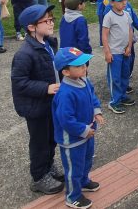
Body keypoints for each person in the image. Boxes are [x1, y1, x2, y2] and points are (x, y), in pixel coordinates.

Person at [11, 4, 64, 195]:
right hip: (36, 107)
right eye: (46, 20)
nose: (51, 23)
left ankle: (48, 166)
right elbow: (19, 83)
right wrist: (46, 88)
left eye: (52, 19)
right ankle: (39, 177)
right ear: (32, 27)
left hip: (50, 103)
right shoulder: (24, 54)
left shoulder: (49, 43)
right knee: (40, 142)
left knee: (51, 139)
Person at [52, 47, 103, 209]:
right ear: (66, 72)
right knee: (73, 167)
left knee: (87, 159)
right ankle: (72, 196)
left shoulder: (84, 80)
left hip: (87, 133)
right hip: (72, 139)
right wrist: (84, 131)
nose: (84, 67)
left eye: (84, 64)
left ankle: (83, 181)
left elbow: (92, 97)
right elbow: (66, 120)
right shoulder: (65, 93)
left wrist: (97, 112)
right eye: (79, 66)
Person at [102, 0, 133, 114]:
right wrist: (107, 52)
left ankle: (122, 95)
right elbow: (104, 35)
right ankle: (114, 101)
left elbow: (130, 30)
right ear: (112, 2)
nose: (124, 2)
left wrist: (129, 46)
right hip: (114, 53)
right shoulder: (109, 16)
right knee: (115, 77)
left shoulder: (126, 14)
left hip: (125, 51)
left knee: (125, 75)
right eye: (121, 0)